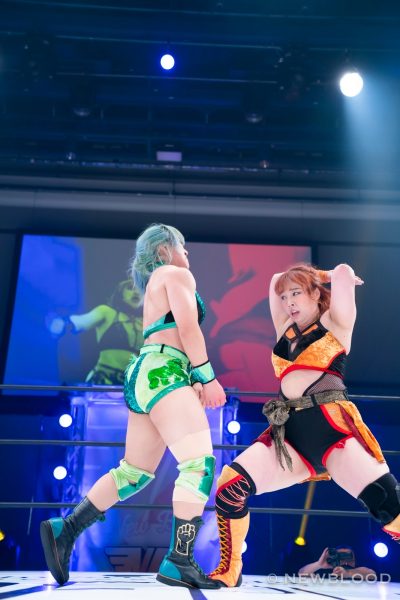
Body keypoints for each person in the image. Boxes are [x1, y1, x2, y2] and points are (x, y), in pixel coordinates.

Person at [40, 223, 226, 589]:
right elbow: (188, 329)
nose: (187, 252)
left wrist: (193, 376)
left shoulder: (157, 281)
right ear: (163, 251)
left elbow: (173, 332)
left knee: (133, 473)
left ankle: (67, 528)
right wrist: (207, 377)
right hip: (166, 371)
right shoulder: (175, 274)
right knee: (198, 465)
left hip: (145, 373)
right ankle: (180, 560)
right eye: (182, 245)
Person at [209, 263, 400, 587]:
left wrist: (320, 277)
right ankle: (230, 570)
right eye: (285, 297)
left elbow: (343, 272)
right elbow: (274, 280)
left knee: (389, 505)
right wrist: (295, 282)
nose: (289, 302)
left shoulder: (336, 323)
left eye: (296, 293)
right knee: (230, 487)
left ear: (315, 293)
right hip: (289, 437)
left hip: (332, 432)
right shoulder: (285, 327)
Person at [48, 279, 143, 385]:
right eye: (130, 288)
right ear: (120, 294)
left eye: (140, 290)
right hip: (103, 379)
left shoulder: (146, 323)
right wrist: (65, 323)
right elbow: (82, 321)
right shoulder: (107, 312)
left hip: (130, 385)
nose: (136, 292)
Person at [298, 546, 376, 580]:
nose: (345, 561)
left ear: (354, 560)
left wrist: (347, 573)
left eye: (348, 556)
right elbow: (301, 573)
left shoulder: (359, 573)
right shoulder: (325, 575)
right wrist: (319, 564)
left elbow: (372, 574)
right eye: (340, 556)